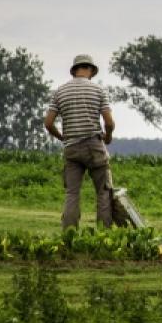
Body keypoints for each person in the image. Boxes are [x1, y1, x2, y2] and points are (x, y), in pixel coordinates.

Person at [44, 54, 115, 229]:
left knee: (72, 193)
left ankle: (69, 235)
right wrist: (108, 136)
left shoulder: (60, 91)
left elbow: (48, 123)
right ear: (90, 69)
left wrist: (62, 137)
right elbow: (109, 122)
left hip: (71, 148)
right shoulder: (98, 90)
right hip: (93, 146)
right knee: (103, 192)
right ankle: (104, 235)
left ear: (74, 70)